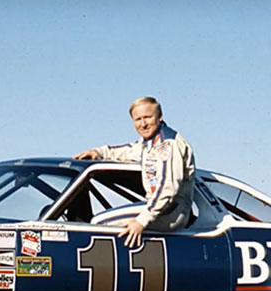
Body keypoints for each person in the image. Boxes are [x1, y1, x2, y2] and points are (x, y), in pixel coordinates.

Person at [73, 97, 195, 248]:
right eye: (138, 119)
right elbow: (127, 151)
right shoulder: (149, 144)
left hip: (171, 212)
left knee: (98, 224)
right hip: (160, 210)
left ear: (159, 117)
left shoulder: (167, 145)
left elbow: (167, 190)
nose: (143, 124)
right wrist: (98, 152)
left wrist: (141, 221)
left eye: (147, 118)